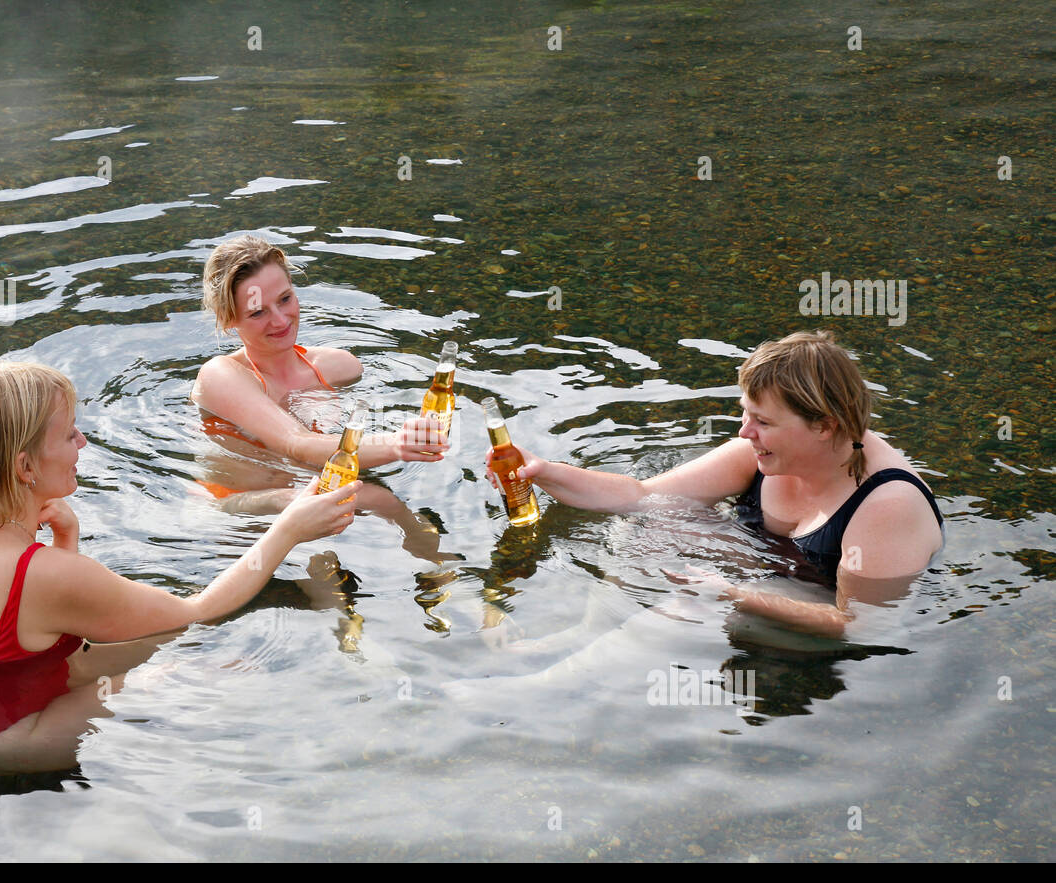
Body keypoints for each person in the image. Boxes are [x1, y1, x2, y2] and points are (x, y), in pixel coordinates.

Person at [0, 361, 359, 774]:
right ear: (24, 466)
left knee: (132, 651)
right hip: (15, 748)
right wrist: (287, 529)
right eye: (70, 434)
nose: (83, 442)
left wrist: (65, 545)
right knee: (204, 664)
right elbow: (198, 612)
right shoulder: (45, 574)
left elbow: (24, 630)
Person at [486, 330, 944, 638]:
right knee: (646, 526)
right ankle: (585, 635)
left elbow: (862, 625)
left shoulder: (886, 504)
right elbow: (640, 496)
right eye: (746, 413)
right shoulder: (764, 449)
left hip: (830, 614)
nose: (745, 432)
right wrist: (542, 471)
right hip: (771, 567)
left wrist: (733, 593)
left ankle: (554, 682)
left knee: (695, 608)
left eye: (762, 421)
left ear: (824, 426)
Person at [191, 234, 447, 467]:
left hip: (314, 487)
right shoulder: (220, 376)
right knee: (377, 499)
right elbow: (296, 444)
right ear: (228, 318)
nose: (281, 321)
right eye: (258, 312)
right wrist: (395, 444)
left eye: (285, 299)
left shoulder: (341, 368)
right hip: (237, 507)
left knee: (374, 498)